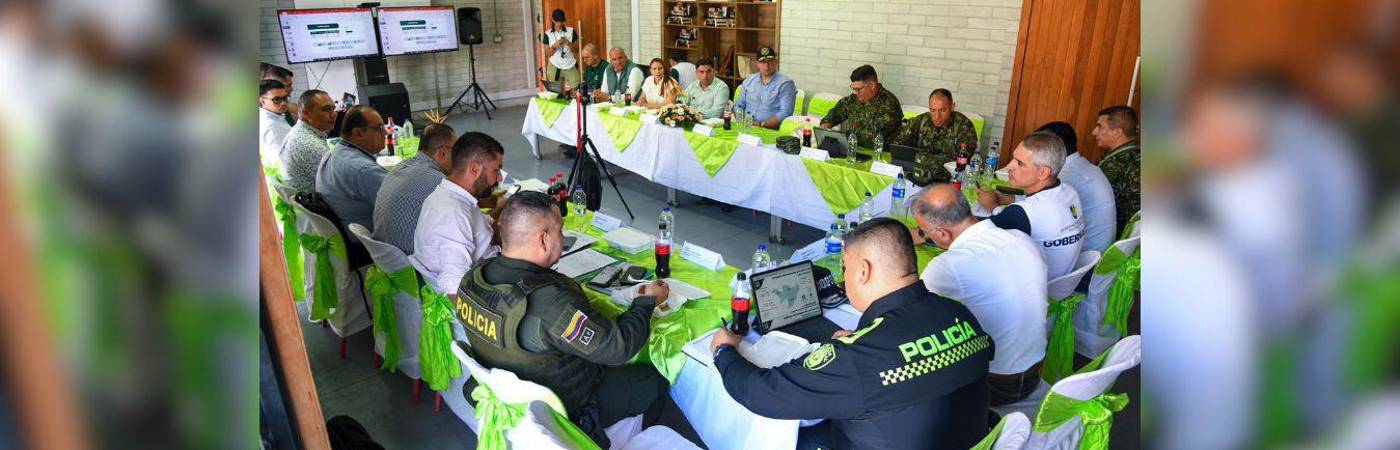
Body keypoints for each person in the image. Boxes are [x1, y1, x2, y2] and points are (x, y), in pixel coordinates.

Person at [710, 218, 993, 450]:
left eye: (845, 268)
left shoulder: (857, 360)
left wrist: (724, 352)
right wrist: (861, 344)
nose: (843, 278)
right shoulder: (959, 314)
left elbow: (762, 393)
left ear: (863, 271)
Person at [456, 191, 682, 448]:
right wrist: (646, 302)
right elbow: (618, 347)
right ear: (542, 239)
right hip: (567, 405)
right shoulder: (551, 303)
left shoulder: (472, 278)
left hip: (511, 388)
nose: (562, 239)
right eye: (560, 231)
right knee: (655, 379)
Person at [911, 185, 1048, 406]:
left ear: (943, 234)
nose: (923, 235)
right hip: (1037, 368)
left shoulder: (948, 267)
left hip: (997, 384)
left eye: (924, 231)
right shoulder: (1020, 237)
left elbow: (908, 314)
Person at [976, 131, 1086, 279]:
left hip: (1032, 284)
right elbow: (1038, 207)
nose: (1009, 166)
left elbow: (976, 237)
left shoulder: (1023, 213)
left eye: (1019, 163)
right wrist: (1009, 200)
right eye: (1013, 159)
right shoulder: (1069, 192)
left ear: (1043, 173)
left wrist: (992, 206)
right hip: (1061, 277)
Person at [411, 132, 505, 294]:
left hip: (489, 268)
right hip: (481, 287)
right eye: (495, 171)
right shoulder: (454, 214)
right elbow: (454, 288)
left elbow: (483, 228)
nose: (498, 179)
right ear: (475, 169)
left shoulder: (449, 194)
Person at [371, 123, 457, 254]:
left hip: (385, 258)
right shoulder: (439, 181)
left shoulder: (401, 166)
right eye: (457, 152)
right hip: (411, 264)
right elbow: (464, 226)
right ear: (443, 152)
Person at [1038, 121, 1115, 254]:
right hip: (1097, 251)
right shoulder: (1083, 166)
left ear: (1057, 147)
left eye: (1038, 146)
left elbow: (1039, 213)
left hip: (1085, 255)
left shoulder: (1068, 175)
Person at [315, 105, 388, 242]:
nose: (385, 133)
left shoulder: (334, 152)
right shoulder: (363, 170)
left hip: (346, 236)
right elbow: (404, 204)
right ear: (358, 133)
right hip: (369, 244)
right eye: (380, 128)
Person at [894, 88, 979, 185]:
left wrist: (925, 159)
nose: (937, 116)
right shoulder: (922, 120)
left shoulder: (964, 126)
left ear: (952, 107)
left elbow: (961, 162)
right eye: (933, 110)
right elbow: (898, 143)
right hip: (917, 177)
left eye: (942, 110)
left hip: (949, 182)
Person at [820, 64, 902, 147]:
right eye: (853, 89)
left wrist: (842, 137)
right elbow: (837, 112)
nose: (855, 93)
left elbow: (872, 138)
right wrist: (826, 125)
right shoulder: (854, 99)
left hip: (881, 155)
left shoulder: (889, 103)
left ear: (872, 86)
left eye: (858, 89)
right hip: (855, 150)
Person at [1091, 105, 1139, 235]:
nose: (1094, 132)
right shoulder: (1132, 154)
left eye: (1099, 126)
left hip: (1118, 236)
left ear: (1117, 132)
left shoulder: (1121, 163)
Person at [279, 89, 337, 192]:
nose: (334, 115)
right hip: (321, 205)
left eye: (333, 108)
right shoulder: (310, 145)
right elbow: (341, 188)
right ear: (306, 113)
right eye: (326, 109)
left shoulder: (300, 131)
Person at [734, 45, 797, 129]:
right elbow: (739, 105)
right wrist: (740, 123)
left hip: (770, 130)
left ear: (776, 62)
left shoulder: (785, 84)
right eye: (763, 62)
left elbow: (785, 113)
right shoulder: (749, 81)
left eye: (770, 61)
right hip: (746, 126)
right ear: (757, 64)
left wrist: (761, 124)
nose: (767, 66)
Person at [259, 79, 292, 172]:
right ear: (262, 102)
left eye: (285, 98)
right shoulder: (271, 127)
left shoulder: (275, 116)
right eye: (276, 99)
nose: (283, 103)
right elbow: (283, 165)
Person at [540, 9, 579, 87]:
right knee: (555, 92)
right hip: (554, 66)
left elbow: (576, 50)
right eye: (557, 22)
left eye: (561, 21)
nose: (560, 24)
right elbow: (547, 54)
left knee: (576, 89)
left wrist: (568, 43)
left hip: (570, 65)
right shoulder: (547, 34)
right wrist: (555, 46)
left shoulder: (571, 31)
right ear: (553, 20)